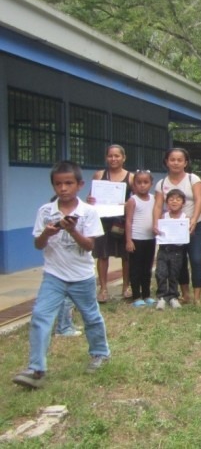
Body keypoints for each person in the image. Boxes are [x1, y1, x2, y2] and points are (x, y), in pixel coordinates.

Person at [13, 161, 110, 389]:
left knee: (91, 316)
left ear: (79, 185)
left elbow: (89, 246)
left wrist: (72, 230)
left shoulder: (88, 212)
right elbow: (38, 244)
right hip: (53, 275)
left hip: (82, 276)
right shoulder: (45, 212)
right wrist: (47, 233)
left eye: (68, 183)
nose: (63, 188)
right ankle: (36, 368)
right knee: (40, 316)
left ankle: (100, 353)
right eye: (58, 184)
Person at [153, 148, 201, 304]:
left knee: (196, 259)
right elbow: (157, 206)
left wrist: (194, 220)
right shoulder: (161, 184)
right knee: (179, 261)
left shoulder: (192, 179)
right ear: (167, 162)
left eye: (179, 160)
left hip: (194, 226)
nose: (175, 163)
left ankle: (197, 297)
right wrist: (155, 223)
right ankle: (185, 294)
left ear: (185, 163)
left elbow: (199, 200)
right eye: (172, 159)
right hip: (172, 229)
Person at [87, 144, 134, 303]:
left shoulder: (131, 177)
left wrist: (128, 204)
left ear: (124, 158)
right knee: (102, 254)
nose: (113, 159)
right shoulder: (99, 175)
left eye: (117, 156)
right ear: (106, 158)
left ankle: (126, 286)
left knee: (126, 255)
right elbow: (90, 196)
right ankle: (104, 288)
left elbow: (137, 198)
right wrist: (90, 200)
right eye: (110, 156)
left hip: (122, 221)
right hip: (102, 221)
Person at [124, 170, 156, 307]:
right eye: (139, 182)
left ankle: (147, 294)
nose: (142, 185)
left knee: (147, 268)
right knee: (136, 268)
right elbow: (128, 221)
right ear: (134, 185)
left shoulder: (154, 199)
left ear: (151, 184)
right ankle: (136, 296)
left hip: (150, 239)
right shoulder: (132, 200)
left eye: (145, 182)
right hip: (136, 239)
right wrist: (129, 240)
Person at [154, 189, 189, 311]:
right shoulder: (163, 216)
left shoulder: (185, 218)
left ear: (183, 203)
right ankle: (162, 297)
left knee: (174, 274)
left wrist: (187, 231)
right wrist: (157, 230)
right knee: (161, 273)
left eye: (178, 199)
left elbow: (189, 233)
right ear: (167, 202)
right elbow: (157, 229)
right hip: (164, 249)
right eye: (171, 199)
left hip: (178, 250)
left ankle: (173, 296)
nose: (174, 202)